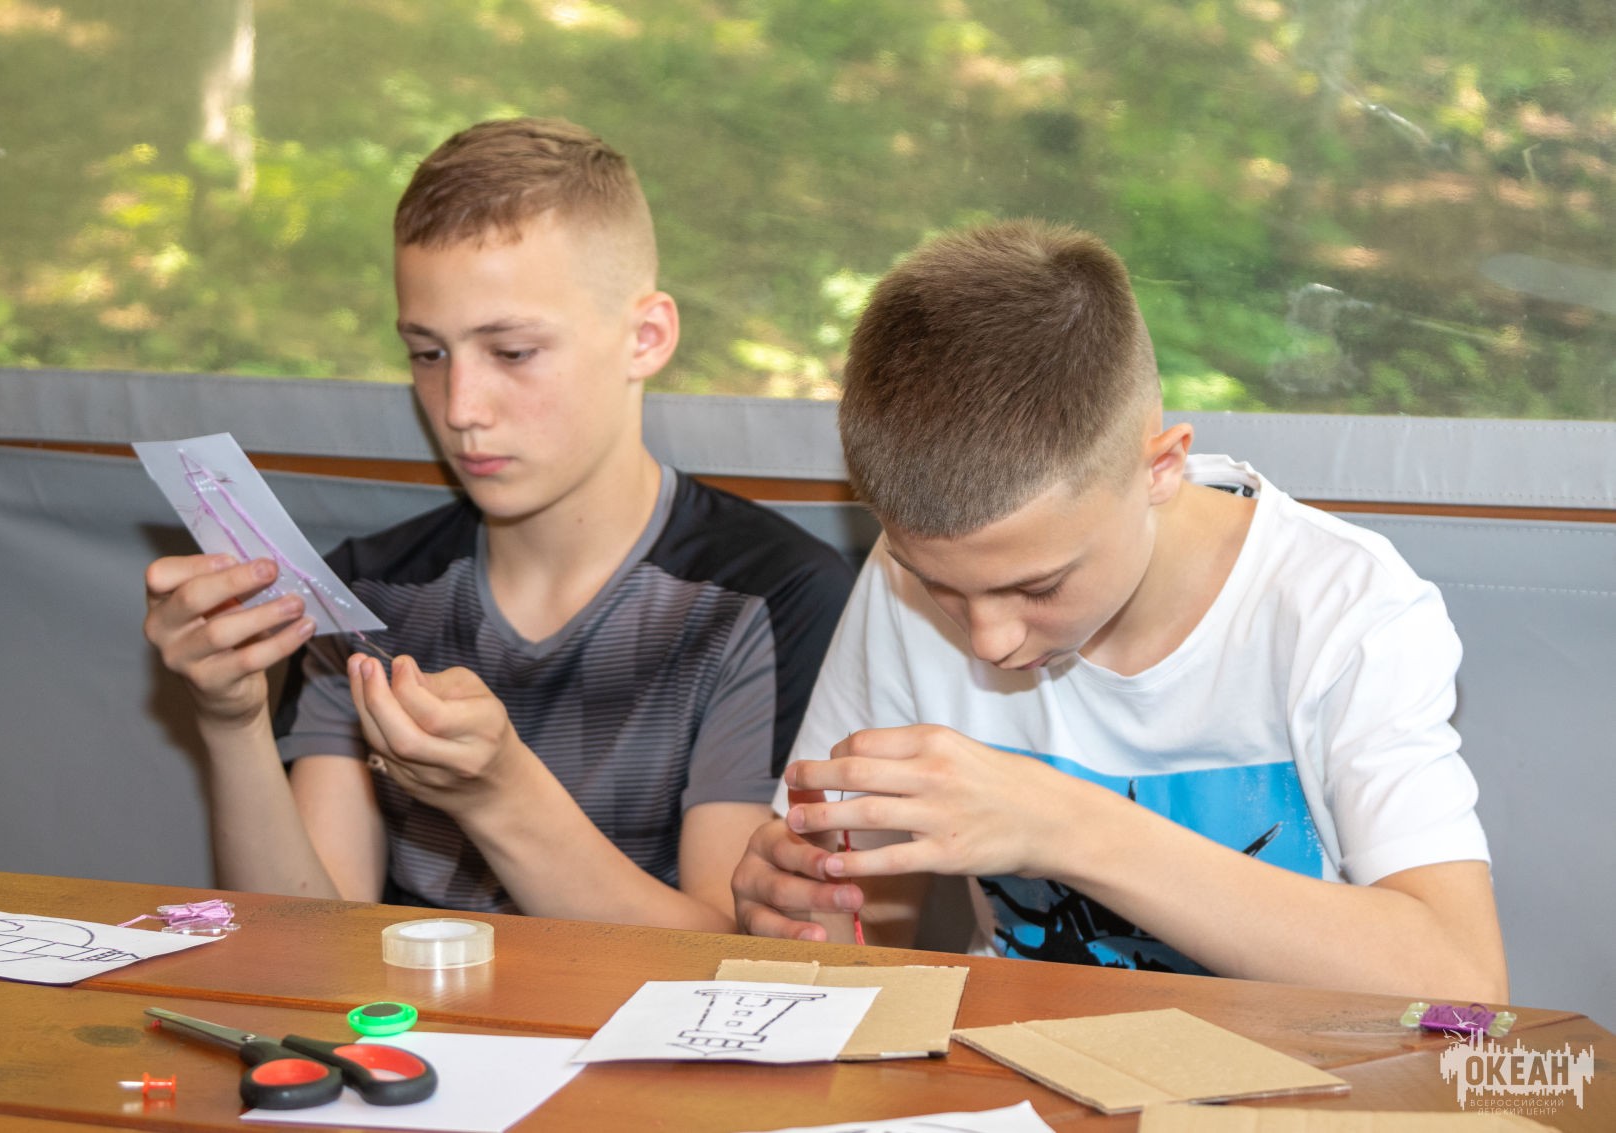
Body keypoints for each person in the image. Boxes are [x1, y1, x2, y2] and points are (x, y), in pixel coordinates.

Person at [731, 220, 1508, 999]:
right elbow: (868, 936)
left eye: (1039, 587)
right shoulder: (910, 577)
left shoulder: (1344, 609)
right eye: (941, 586)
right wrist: (809, 914)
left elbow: (1467, 990)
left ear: (1161, 468)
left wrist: (1065, 826)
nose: (990, 640)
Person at [144, 117, 853, 931]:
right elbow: (297, 945)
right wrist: (231, 720)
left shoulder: (771, 596)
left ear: (646, 338)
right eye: (428, 353)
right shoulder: (368, 591)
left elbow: (730, 963)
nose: (460, 409)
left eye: (512, 352)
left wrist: (502, 796)